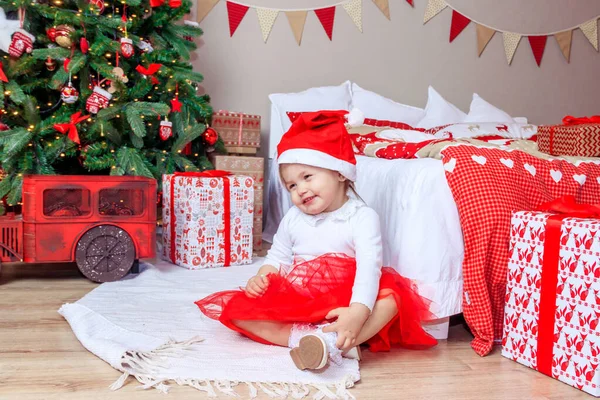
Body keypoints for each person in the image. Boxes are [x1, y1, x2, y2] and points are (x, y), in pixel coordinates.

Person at [196, 109, 437, 371]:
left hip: (349, 300)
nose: (300, 190)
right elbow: (277, 257)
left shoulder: (361, 217)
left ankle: (338, 338)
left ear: (340, 172)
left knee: (391, 298)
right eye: (291, 186)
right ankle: (308, 339)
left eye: (307, 177)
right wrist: (262, 277)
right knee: (236, 311)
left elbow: (369, 270)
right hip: (301, 297)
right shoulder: (293, 218)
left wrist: (357, 312)